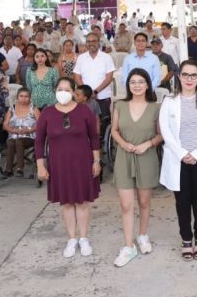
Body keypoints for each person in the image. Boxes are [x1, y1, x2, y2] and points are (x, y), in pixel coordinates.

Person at [35, 77, 102, 259]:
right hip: (58, 164)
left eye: (67, 89)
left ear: (73, 91)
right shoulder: (48, 113)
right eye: (59, 89)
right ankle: (71, 238)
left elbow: (94, 137)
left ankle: (83, 237)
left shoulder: (84, 111)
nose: (62, 92)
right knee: (66, 202)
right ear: (55, 91)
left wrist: (96, 161)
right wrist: (40, 165)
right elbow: (39, 141)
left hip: (82, 162)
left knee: (81, 201)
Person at [110, 68, 163, 267]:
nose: (137, 85)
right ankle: (128, 246)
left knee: (144, 201)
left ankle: (142, 235)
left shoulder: (155, 107)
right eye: (133, 82)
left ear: (148, 85)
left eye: (141, 81)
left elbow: (161, 134)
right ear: (128, 85)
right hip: (124, 157)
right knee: (126, 204)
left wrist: (148, 144)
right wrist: (123, 144)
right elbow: (114, 130)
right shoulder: (120, 106)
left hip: (146, 157)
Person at [72, 33, 115, 122]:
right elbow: (76, 76)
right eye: (88, 41)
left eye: (94, 41)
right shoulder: (81, 58)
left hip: (103, 97)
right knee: (84, 123)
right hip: (84, 98)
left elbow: (109, 78)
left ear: (99, 43)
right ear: (86, 43)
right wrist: (87, 93)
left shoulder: (107, 57)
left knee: (104, 123)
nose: (91, 43)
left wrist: (95, 92)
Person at [3, 87, 38, 177]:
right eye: (21, 96)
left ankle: (20, 168)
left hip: (29, 136)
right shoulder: (12, 108)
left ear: (30, 98)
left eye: (26, 96)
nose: (23, 98)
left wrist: (29, 130)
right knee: (10, 142)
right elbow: (5, 125)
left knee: (19, 141)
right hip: (14, 135)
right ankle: (9, 169)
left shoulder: (34, 109)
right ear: (17, 97)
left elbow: (41, 124)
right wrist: (13, 130)